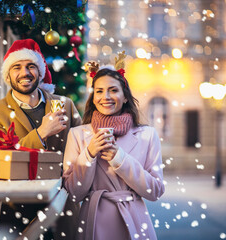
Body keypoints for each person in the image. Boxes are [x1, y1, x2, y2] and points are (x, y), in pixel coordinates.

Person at [0, 39, 82, 239]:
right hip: (17, 205)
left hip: (62, 203)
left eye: (31, 66)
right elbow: (0, 159)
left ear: (40, 72)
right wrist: (41, 133)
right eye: (16, 67)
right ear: (8, 75)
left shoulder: (65, 105)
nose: (24, 73)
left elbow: (83, 146)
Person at [62, 52, 165, 240]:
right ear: (93, 97)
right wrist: (89, 155)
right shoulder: (77, 135)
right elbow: (73, 193)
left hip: (134, 222)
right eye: (99, 91)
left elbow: (155, 191)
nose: (106, 97)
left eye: (113, 90)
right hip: (93, 220)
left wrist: (121, 160)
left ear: (125, 96)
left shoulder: (147, 135)